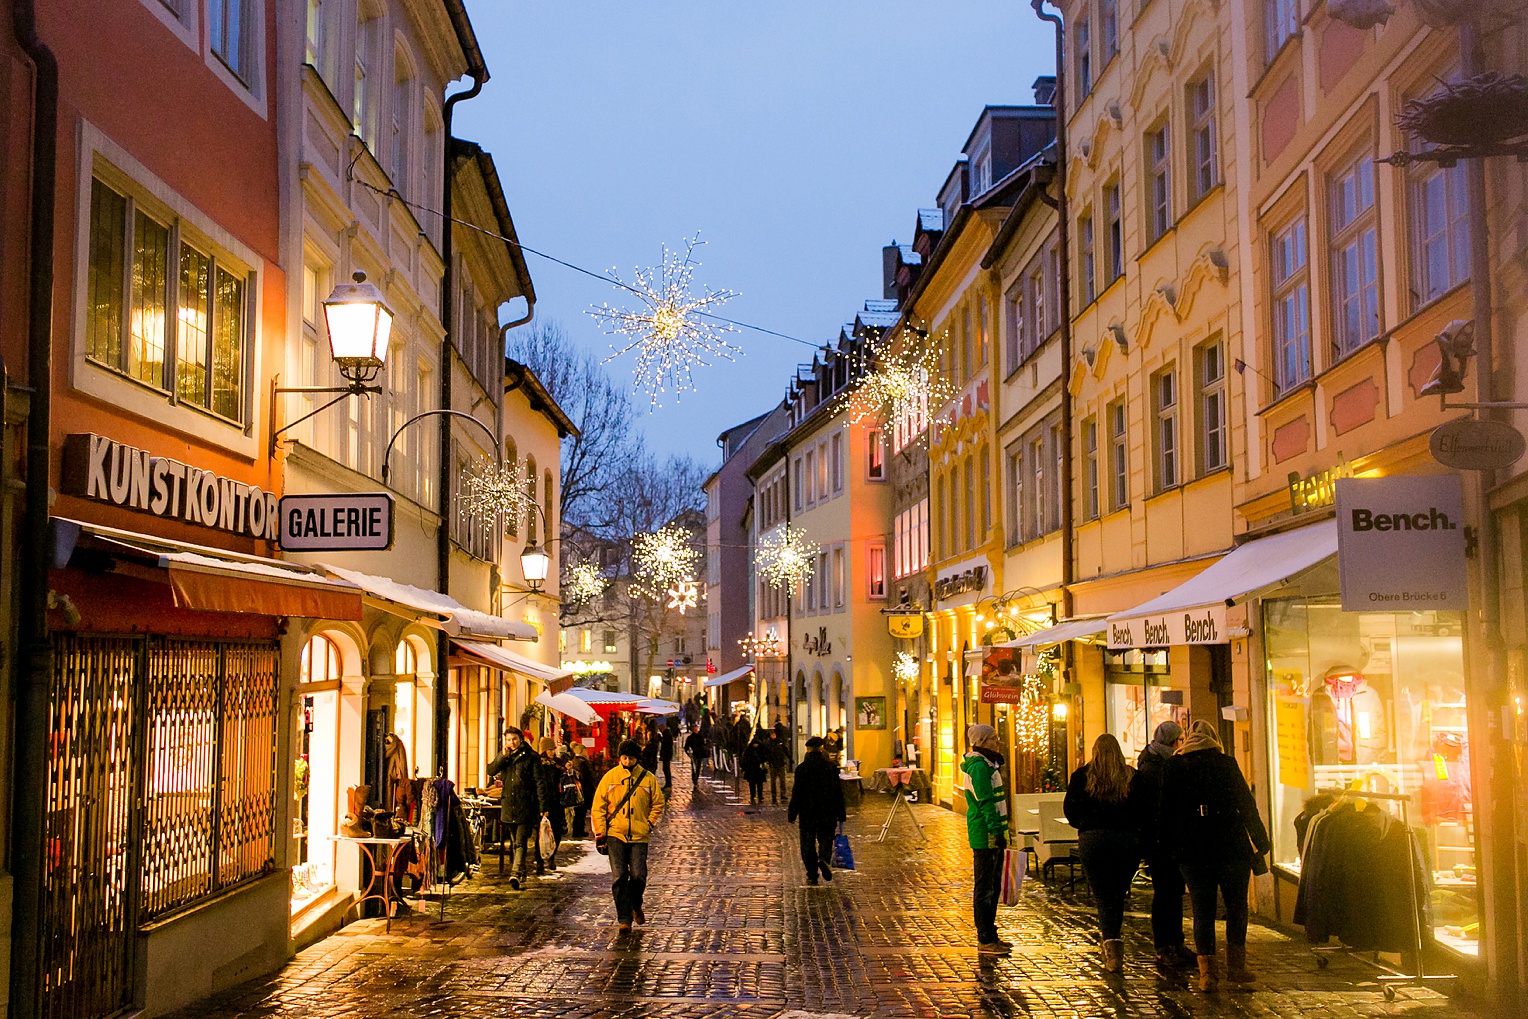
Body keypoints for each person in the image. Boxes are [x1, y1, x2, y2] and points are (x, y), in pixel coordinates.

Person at [1160, 720, 1272, 992]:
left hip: (1193, 851)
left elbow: (1165, 812)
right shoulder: (1226, 763)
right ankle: (1236, 968)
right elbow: (1246, 805)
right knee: (1236, 907)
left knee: (1203, 910)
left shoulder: (1174, 766)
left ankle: (1207, 975)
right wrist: (1261, 842)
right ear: (1214, 739)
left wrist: (1168, 849)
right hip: (1231, 847)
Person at [1064, 733, 1147, 973]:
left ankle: (1111, 946)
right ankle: (1114, 942)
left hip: (1094, 840)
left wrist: (1085, 823)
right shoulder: (1132, 777)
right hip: (1126, 840)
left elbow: (1070, 810)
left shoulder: (1082, 776)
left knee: (1102, 896)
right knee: (1118, 894)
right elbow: (1145, 809)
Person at [590, 739, 667, 932]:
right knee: (619, 877)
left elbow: (658, 803)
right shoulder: (610, 777)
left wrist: (649, 822)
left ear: (636, 759)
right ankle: (624, 918)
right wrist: (600, 833)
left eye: (630, 758)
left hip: (639, 835)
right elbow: (598, 807)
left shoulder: (648, 779)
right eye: (624, 757)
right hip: (616, 833)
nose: (627, 761)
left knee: (639, 875)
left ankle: (635, 904)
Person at [1135, 720, 1191, 969]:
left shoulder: (1163, 762)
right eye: (1180, 739)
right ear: (1172, 741)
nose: (1181, 744)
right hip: (1159, 842)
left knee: (1174, 892)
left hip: (1170, 840)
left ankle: (1176, 943)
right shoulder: (1155, 768)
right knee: (1165, 894)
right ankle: (1164, 946)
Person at [960, 724, 1011, 953]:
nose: (997, 742)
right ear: (981, 742)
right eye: (993, 739)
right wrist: (996, 831)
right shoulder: (980, 766)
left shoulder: (988, 763)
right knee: (986, 888)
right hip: (985, 834)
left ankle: (990, 933)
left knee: (992, 885)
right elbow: (986, 801)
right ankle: (985, 938)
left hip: (992, 832)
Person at [486, 727, 542, 890]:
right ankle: (522, 870)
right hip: (509, 805)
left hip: (525, 804)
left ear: (521, 739)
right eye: (509, 740)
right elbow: (490, 770)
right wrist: (501, 757)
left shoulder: (531, 757)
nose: (511, 743)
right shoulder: (507, 757)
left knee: (520, 842)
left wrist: (542, 806)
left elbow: (539, 782)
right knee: (513, 841)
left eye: (514, 739)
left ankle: (516, 873)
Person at [787, 736, 845, 885]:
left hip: (808, 812)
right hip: (827, 811)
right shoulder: (830, 767)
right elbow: (837, 791)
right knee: (826, 838)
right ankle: (824, 859)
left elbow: (797, 793)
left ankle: (812, 873)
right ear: (821, 749)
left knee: (807, 844)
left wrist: (792, 812)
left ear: (808, 750)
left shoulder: (802, 769)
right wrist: (841, 812)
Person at [533, 738, 567, 870]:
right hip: (543, 802)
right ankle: (540, 860)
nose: (552, 752)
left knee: (557, 831)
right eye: (550, 749)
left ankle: (552, 856)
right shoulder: (539, 764)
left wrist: (566, 770)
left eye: (553, 749)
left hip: (557, 802)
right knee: (541, 832)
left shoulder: (558, 764)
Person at [764, 727, 789, 804]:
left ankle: (783, 794)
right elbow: (766, 754)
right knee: (773, 781)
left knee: (782, 780)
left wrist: (789, 758)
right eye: (772, 734)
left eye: (774, 734)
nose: (773, 736)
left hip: (781, 763)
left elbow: (785, 750)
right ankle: (774, 795)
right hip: (773, 764)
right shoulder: (768, 744)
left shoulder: (779, 742)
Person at [741, 734, 767, 805]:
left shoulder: (760, 749)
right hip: (752, 771)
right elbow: (745, 760)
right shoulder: (749, 750)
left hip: (758, 771)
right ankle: (753, 796)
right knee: (752, 785)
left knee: (759, 784)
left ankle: (760, 796)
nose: (755, 745)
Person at [659, 723, 675, 789]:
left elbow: (665, 744)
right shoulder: (667, 734)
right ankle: (668, 784)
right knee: (665, 769)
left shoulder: (667, 735)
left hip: (667, 755)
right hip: (667, 754)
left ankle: (668, 784)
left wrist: (660, 739)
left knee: (666, 769)